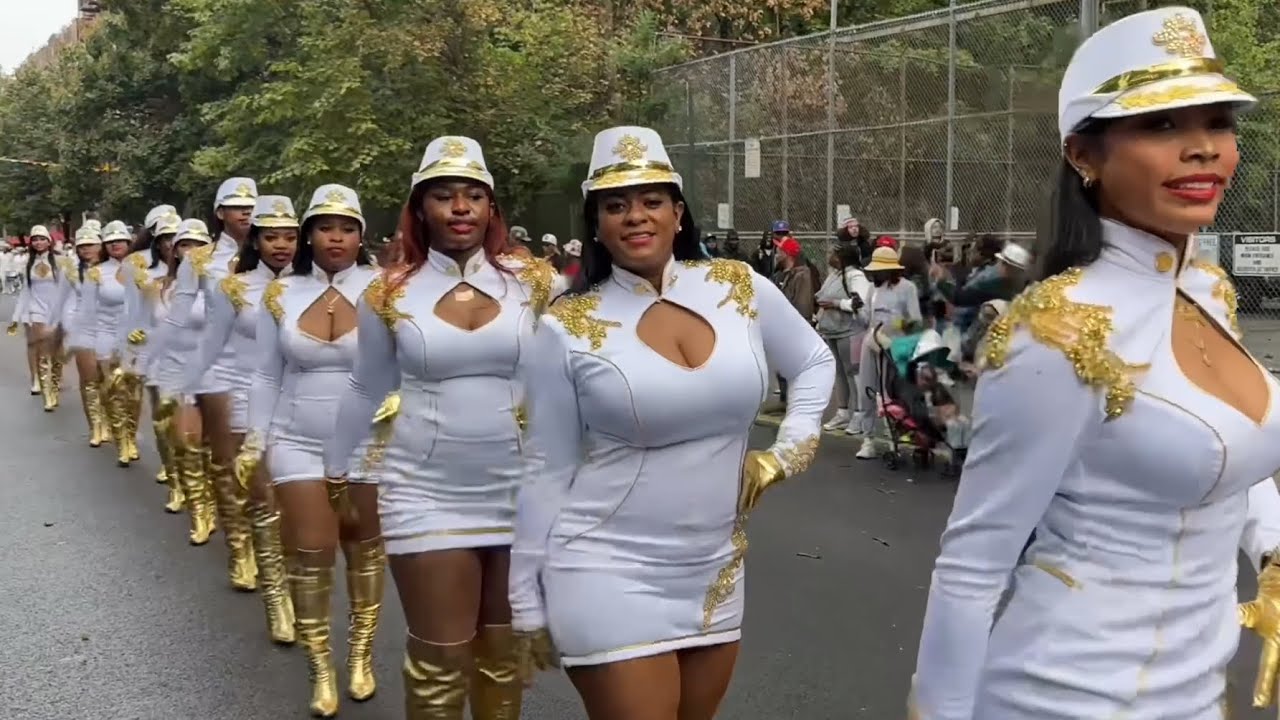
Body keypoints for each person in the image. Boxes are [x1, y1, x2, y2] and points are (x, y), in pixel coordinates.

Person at [910, 9, 1280, 719]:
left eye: (1218, 122)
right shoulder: (1056, 331)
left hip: (1201, 695)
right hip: (1064, 698)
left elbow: (1233, 448)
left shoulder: (1209, 291)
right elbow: (971, 564)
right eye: (1162, 125)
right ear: (1084, 153)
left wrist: (1270, 550)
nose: (1204, 149)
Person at [510, 126, 835, 720]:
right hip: (605, 565)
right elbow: (546, 466)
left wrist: (784, 454)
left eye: (652, 200)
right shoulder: (567, 325)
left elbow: (814, 360)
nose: (636, 217)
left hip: (716, 566)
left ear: (678, 212)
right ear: (598, 223)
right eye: (616, 205)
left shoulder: (738, 287)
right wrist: (524, 599)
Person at [323, 136, 561, 719]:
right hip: (424, 490)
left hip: (522, 490)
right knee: (439, 662)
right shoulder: (386, 292)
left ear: (491, 208)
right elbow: (365, 387)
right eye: (445, 196)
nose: (460, 208)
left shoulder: (537, 283)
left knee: (503, 658)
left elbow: (572, 383)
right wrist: (337, 472)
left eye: (474, 195)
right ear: (421, 208)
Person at [240, 184, 383, 718]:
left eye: (347, 228)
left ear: (360, 235)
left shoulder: (385, 288)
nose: (336, 237)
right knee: (311, 551)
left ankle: (361, 656)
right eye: (325, 227)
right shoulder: (281, 295)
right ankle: (320, 666)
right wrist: (256, 441)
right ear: (309, 235)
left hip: (370, 443)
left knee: (364, 549)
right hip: (297, 439)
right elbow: (263, 375)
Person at [188, 195, 301, 645]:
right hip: (243, 394)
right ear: (254, 240)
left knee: (298, 505)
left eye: (290, 237)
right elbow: (211, 345)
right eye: (270, 236)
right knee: (261, 497)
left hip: (303, 402)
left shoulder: (315, 285)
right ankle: (277, 600)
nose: (281, 245)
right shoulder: (233, 287)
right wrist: (183, 391)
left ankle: (298, 586)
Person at [157, 178, 260, 590]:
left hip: (268, 369)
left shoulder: (280, 256)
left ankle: (268, 541)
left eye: (252, 206)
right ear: (220, 213)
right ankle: (241, 551)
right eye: (237, 207)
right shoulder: (199, 262)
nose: (246, 213)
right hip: (217, 369)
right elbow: (179, 319)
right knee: (228, 461)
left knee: (269, 466)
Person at [854, 245, 922, 458]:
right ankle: (868, 439)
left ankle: (894, 439)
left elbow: (915, 319)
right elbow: (866, 318)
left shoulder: (907, 288)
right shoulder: (873, 289)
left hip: (893, 344)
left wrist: (896, 325)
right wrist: (857, 308)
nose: (876, 274)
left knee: (890, 394)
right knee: (866, 388)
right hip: (871, 341)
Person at [83, 221, 138, 466]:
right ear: (105, 245)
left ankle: (132, 436)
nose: (116, 244)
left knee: (134, 395)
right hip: (105, 337)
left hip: (137, 339)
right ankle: (121, 441)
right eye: (111, 241)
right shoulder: (96, 273)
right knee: (113, 390)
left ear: (129, 243)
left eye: (121, 240)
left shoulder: (144, 268)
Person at [54, 226, 107, 444]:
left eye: (91, 244)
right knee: (89, 380)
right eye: (81, 246)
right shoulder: (71, 270)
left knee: (110, 381)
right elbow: (65, 301)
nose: (86, 249)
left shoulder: (114, 268)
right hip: (84, 330)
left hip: (110, 330)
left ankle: (113, 422)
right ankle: (95, 426)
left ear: (100, 246)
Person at [816, 243, 870, 435]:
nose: (830, 257)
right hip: (833, 329)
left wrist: (837, 303)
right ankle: (843, 411)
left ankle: (858, 414)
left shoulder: (855, 276)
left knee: (852, 372)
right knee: (839, 372)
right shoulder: (835, 274)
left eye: (834, 254)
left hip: (849, 330)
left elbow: (860, 303)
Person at [8, 226, 64, 404]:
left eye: (42, 238)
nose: (38, 242)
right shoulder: (28, 263)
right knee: (36, 345)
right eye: (35, 239)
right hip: (34, 309)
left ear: (49, 241)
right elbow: (25, 291)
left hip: (56, 310)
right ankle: (37, 379)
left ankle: (54, 377)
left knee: (55, 347)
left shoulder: (61, 261)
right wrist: (16, 316)